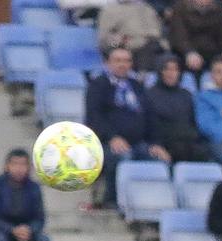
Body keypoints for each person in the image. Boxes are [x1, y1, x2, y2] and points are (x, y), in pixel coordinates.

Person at [87, 47, 160, 208]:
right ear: (108, 63)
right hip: (106, 142)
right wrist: (112, 137)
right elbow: (94, 117)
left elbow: (149, 116)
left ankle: (148, 205)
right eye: (118, 61)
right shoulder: (98, 85)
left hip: (138, 142)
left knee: (158, 160)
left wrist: (155, 143)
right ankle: (113, 200)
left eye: (126, 61)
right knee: (123, 157)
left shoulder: (137, 86)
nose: (123, 65)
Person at [0, 149, 50, 241]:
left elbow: (40, 218)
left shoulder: (34, 188)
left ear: (29, 168)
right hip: (0, 230)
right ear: (7, 166)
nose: (19, 168)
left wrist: (29, 229)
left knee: (43, 240)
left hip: (26, 231)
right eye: (15, 164)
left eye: (23, 164)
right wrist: (12, 230)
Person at [145, 55, 209, 165]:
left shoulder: (186, 95)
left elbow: (192, 122)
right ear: (160, 71)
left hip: (189, 143)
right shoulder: (149, 95)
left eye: (175, 69)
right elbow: (149, 125)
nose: (171, 73)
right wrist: (155, 144)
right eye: (167, 69)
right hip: (163, 144)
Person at [168, 0, 222, 78]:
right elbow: (179, 35)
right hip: (186, 52)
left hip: (213, 51)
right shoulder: (180, 8)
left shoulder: (218, 8)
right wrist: (189, 52)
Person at [98, 0, 168, 74]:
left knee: (169, 57)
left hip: (154, 43)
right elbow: (104, 37)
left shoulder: (147, 8)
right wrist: (119, 41)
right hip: (128, 46)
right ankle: (142, 78)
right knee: (145, 51)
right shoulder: (110, 10)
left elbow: (158, 30)